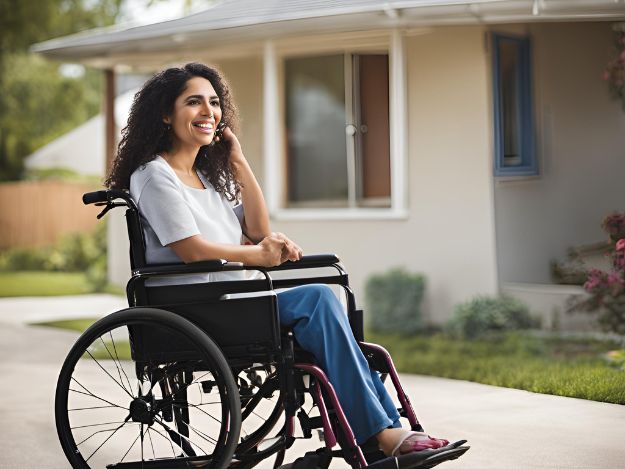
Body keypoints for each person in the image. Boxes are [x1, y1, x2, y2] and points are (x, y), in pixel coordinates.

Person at [105, 62, 450, 457]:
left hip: (230, 301)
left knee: (331, 300)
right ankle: (381, 435)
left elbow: (256, 228)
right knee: (318, 298)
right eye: (193, 102)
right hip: (195, 310)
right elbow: (192, 250)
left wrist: (238, 161)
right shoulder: (153, 175)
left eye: (214, 103)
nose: (208, 112)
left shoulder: (202, 179)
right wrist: (258, 256)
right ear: (166, 113)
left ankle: (386, 430)